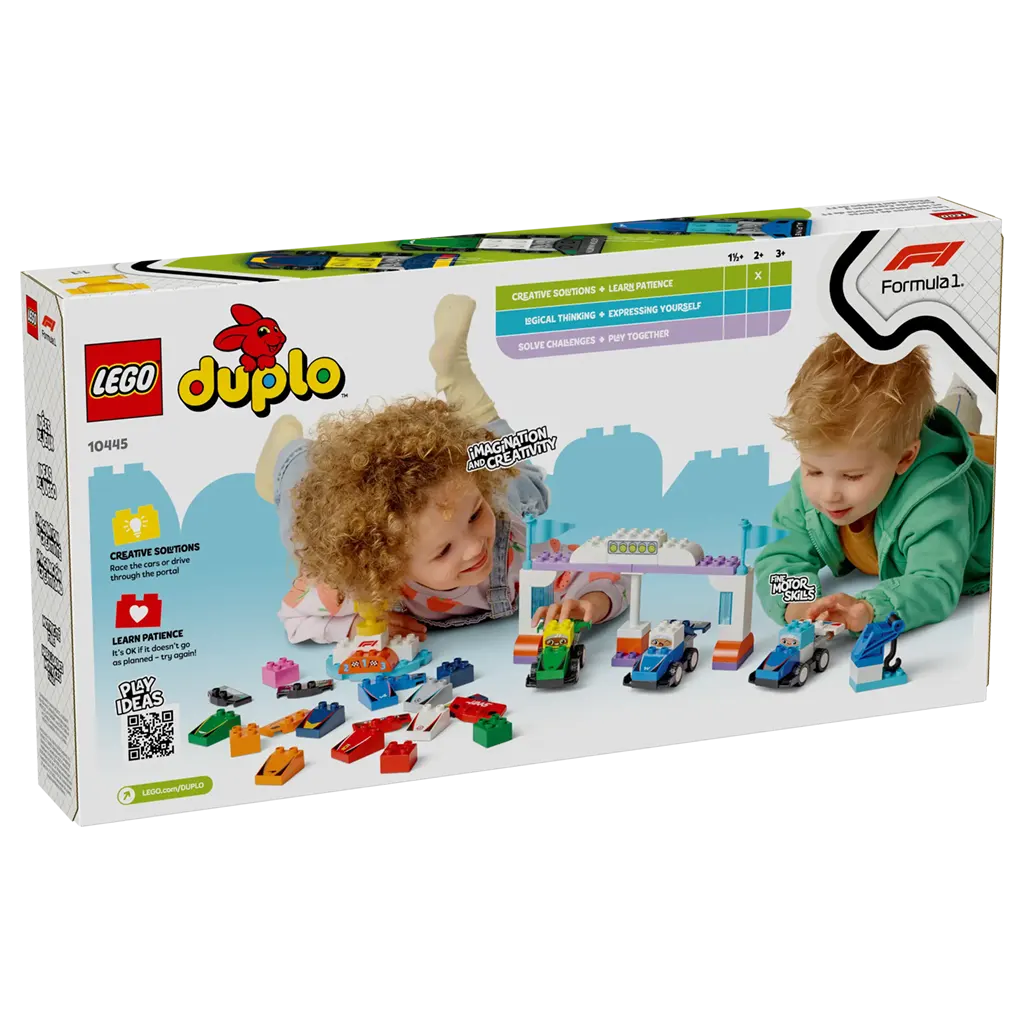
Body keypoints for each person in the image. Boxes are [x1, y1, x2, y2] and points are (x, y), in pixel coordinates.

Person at [254, 294, 628, 643]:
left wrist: (589, 604)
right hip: (337, 515)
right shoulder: (359, 583)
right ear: (389, 566)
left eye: (474, 514)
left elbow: (604, 570)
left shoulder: (516, 547)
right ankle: (287, 451)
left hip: (493, 493)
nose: (474, 547)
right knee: (304, 527)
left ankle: (455, 376)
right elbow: (295, 618)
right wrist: (353, 626)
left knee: (516, 476)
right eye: (444, 549)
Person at [755, 334, 994, 633]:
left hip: (994, 483)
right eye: (813, 471)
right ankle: (961, 395)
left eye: (852, 476)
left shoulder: (936, 501)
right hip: (932, 445)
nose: (829, 494)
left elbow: (934, 582)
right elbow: (779, 557)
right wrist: (799, 605)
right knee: (956, 424)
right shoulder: (821, 480)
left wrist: (870, 608)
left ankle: (965, 389)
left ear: (905, 458)